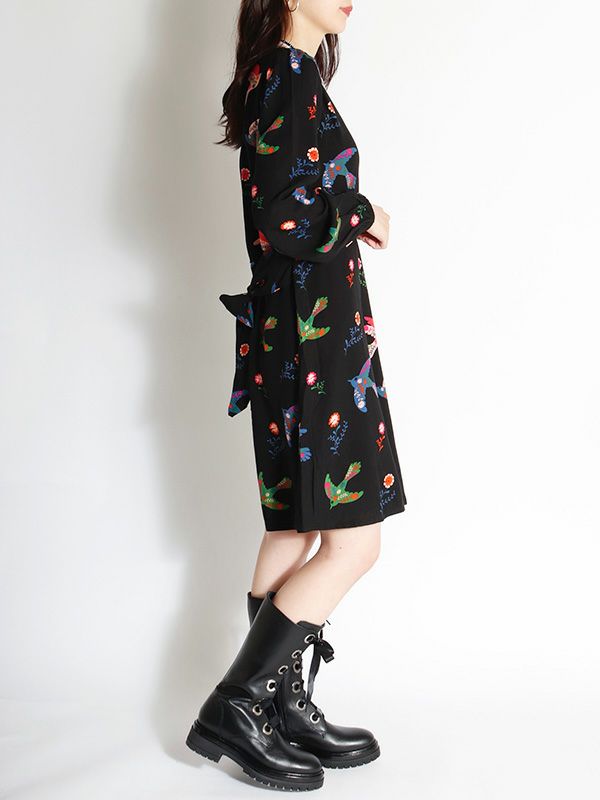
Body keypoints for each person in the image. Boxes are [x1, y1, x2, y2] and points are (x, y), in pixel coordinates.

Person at [186, 0, 408, 790]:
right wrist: (364, 211)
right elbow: (284, 219)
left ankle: (278, 707)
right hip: (313, 338)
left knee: (295, 524)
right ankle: (238, 705)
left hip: (302, 335)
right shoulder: (284, 76)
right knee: (354, 543)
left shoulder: (284, 76)